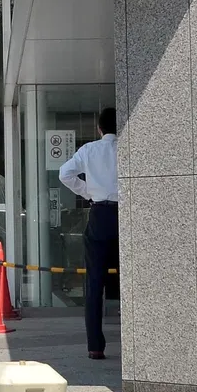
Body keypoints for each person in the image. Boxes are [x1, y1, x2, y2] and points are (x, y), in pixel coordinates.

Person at [57, 107, 120, 360]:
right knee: (134, 279)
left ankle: (95, 346)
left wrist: (88, 192)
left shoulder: (89, 150)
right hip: (126, 214)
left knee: (94, 282)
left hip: (99, 214)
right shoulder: (128, 148)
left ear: (99, 128)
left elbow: (65, 174)